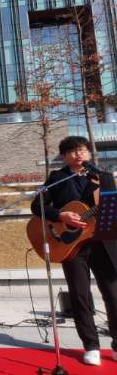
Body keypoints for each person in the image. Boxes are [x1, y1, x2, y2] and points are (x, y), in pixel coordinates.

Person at [31, 136, 117, 366]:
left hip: (103, 243)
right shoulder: (57, 178)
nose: (79, 154)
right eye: (73, 151)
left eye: (82, 150)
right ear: (64, 156)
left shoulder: (104, 177)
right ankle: (91, 346)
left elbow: (112, 208)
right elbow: (36, 206)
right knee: (79, 296)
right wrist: (61, 216)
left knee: (113, 294)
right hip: (70, 245)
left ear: (88, 153)